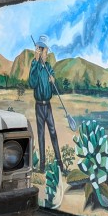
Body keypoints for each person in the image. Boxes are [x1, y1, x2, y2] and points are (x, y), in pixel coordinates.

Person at [28, 35, 64, 173]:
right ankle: (42, 167)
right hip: (39, 106)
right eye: (45, 52)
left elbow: (56, 88)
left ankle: (60, 165)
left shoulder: (49, 67)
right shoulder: (35, 66)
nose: (47, 54)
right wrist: (35, 63)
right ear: (39, 51)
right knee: (41, 135)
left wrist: (53, 80)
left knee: (53, 132)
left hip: (47, 106)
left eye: (47, 52)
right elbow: (32, 83)